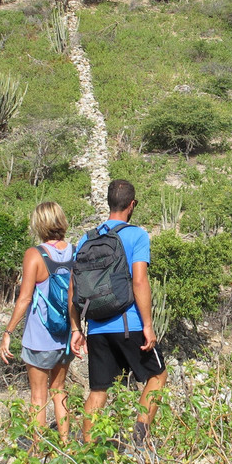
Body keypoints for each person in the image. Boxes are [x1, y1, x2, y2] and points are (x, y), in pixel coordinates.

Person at [70, 179, 167, 447]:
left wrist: (76, 328)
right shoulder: (136, 235)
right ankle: (140, 437)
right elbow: (139, 281)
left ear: (109, 203)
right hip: (129, 323)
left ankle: (87, 450)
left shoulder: (86, 238)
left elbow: (73, 286)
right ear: (132, 204)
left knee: (98, 391)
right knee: (157, 376)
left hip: (97, 326)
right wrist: (148, 324)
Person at [0, 201, 74, 444]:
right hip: (67, 335)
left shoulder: (34, 255)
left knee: (38, 397)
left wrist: (8, 331)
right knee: (59, 392)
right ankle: (66, 445)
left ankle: (37, 451)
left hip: (39, 337)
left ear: (39, 223)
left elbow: (25, 298)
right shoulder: (75, 251)